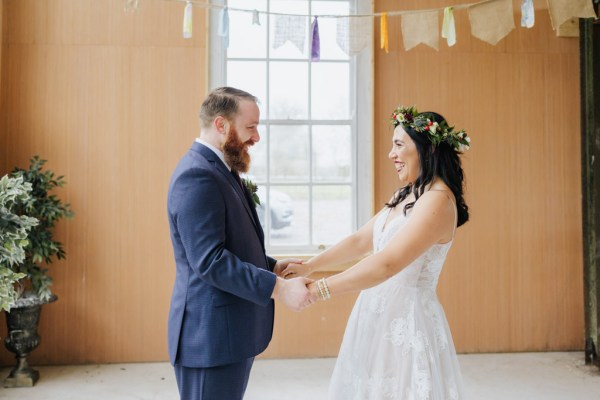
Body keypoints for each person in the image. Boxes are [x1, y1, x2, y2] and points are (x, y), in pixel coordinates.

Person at [282, 105, 471, 399]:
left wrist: (319, 290)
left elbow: (387, 263)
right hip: (374, 312)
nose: (390, 155)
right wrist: (310, 266)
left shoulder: (437, 200)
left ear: (428, 150)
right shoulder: (408, 193)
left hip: (406, 322)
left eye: (398, 145)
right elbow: (361, 240)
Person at [166, 87, 315, 400]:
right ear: (222, 125)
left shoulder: (221, 168)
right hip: (210, 337)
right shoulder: (197, 175)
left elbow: (232, 242)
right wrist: (278, 288)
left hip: (228, 332)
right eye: (250, 127)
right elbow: (211, 261)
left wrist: (272, 266)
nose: (256, 137)